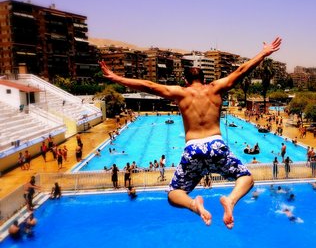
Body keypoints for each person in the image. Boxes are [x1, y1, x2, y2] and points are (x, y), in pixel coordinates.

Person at [100, 37, 282, 229]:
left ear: (185, 81)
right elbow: (241, 70)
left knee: (173, 194)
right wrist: (263, 53)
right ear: (204, 79)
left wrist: (117, 78)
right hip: (216, 145)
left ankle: (194, 205)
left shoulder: (181, 92)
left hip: (192, 148)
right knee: (246, 178)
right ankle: (230, 201)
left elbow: (149, 86)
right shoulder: (216, 88)